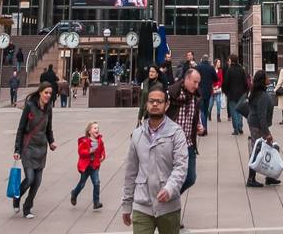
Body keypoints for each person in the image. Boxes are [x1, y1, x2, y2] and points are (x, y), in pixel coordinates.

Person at [120, 84, 188, 234]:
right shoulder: (137, 134)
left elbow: (181, 167)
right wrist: (126, 204)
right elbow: (130, 172)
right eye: (151, 101)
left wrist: (170, 189)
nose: (155, 104)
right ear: (146, 104)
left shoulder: (176, 133)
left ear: (167, 105)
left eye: (159, 101)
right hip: (142, 205)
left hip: (168, 206)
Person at [13, 82, 57, 218]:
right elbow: (20, 129)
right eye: (46, 92)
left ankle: (27, 208)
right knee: (30, 179)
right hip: (28, 147)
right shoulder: (30, 106)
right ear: (40, 92)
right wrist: (17, 149)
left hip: (41, 149)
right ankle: (17, 197)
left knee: (37, 183)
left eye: (50, 93)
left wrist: (51, 142)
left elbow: (48, 129)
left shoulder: (49, 108)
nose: (48, 95)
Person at [166, 67, 201, 193]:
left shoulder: (194, 98)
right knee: (169, 176)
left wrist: (198, 126)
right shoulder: (171, 94)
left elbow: (194, 116)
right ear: (186, 79)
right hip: (172, 144)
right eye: (195, 82)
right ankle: (169, 201)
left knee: (191, 178)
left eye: (198, 83)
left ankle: (170, 197)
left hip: (188, 144)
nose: (197, 86)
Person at [245, 69, 277, 189]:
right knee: (257, 150)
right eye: (267, 77)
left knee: (265, 148)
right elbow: (261, 116)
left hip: (255, 124)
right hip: (257, 125)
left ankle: (269, 176)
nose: (269, 79)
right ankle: (251, 179)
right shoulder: (262, 96)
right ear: (263, 81)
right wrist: (267, 133)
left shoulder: (256, 92)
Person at [72, 119, 106, 209]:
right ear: (89, 131)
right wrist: (89, 151)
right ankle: (74, 193)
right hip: (86, 166)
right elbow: (81, 152)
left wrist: (102, 156)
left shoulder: (100, 141)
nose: (97, 130)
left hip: (94, 166)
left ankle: (96, 202)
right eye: (95, 128)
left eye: (98, 128)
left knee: (96, 183)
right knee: (82, 184)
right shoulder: (85, 141)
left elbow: (102, 150)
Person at [222, 55, 248, 137]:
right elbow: (245, 82)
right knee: (240, 111)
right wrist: (245, 92)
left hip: (232, 94)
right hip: (241, 94)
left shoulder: (229, 70)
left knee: (233, 111)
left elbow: (226, 83)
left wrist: (225, 92)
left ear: (231, 61)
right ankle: (240, 127)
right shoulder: (241, 69)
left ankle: (236, 129)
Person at [195, 54, 216, 134]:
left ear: (202, 59)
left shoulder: (198, 67)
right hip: (208, 91)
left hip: (200, 91)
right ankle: (205, 128)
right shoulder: (211, 68)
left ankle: (204, 129)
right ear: (208, 60)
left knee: (202, 110)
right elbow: (216, 78)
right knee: (206, 110)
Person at [210, 58, 224, 123]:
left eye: (220, 62)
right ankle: (209, 113)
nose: (220, 64)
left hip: (218, 89)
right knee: (211, 104)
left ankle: (218, 116)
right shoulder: (212, 70)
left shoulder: (220, 71)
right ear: (215, 63)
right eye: (218, 62)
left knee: (218, 102)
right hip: (212, 89)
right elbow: (210, 80)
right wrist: (213, 87)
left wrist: (218, 86)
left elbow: (221, 80)